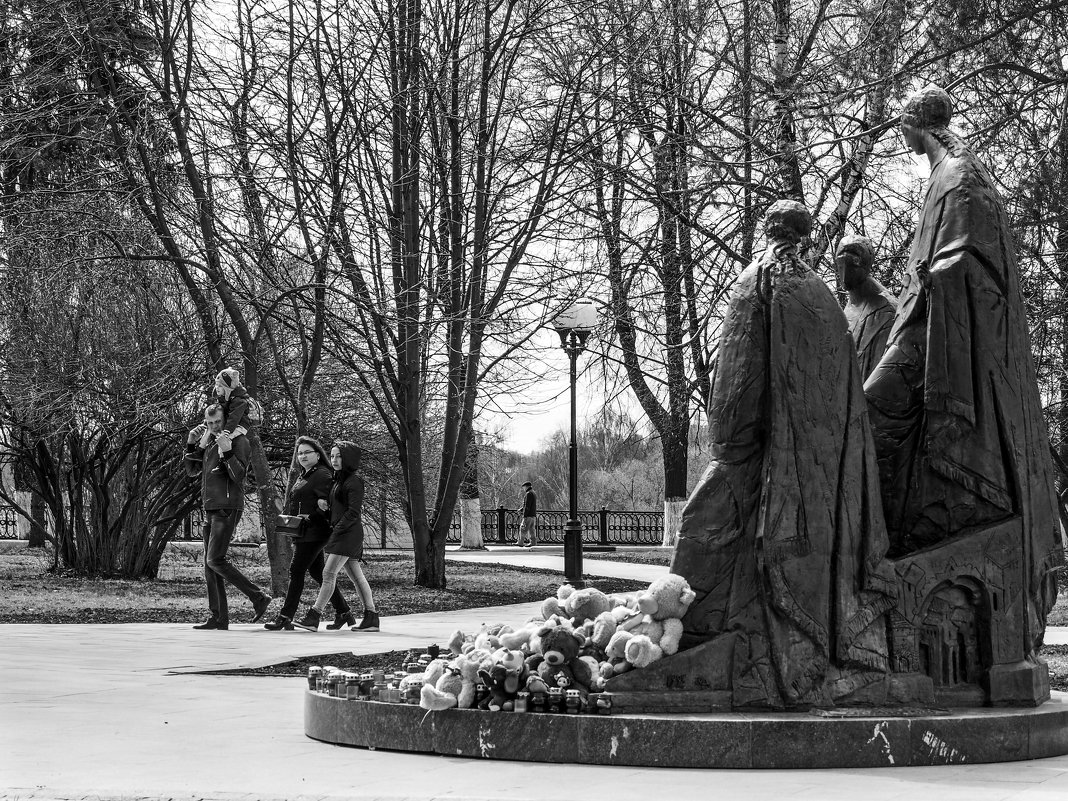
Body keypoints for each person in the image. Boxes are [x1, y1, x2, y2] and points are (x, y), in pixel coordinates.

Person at [670, 200, 894, 709]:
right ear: (806, 236)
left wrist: (728, 445)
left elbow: (738, 377)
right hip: (822, 474)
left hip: (764, 461)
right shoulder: (819, 294)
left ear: (767, 231)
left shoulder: (758, 280)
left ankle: (708, 645)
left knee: (705, 529)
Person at [864, 85, 1062, 590]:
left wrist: (937, 277)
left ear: (915, 124)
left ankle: (886, 539)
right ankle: (892, 533)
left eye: (902, 126)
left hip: (940, 325)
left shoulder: (959, 175)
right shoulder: (945, 173)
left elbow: (973, 258)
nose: (900, 136)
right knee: (870, 414)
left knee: (869, 411)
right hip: (922, 317)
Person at [185, 404, 271, 630]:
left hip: (227, 506)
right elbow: (192, 471)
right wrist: (192, 443)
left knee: (215, 559)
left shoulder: (238, 440)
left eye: (217, 422)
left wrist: (228, 451)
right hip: (210, 507)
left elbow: (239, 475)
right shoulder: (211, 442)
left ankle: (258, 597)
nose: (213, 427)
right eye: (209, 423)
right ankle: (219, 617)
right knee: (209, 565)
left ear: (226, 420)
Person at [264, 437, 356, 631]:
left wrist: (309, 518)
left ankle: (285, 616)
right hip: (303, 531)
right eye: (300, 453)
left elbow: (326, 506)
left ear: (317, 454)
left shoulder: (322, 474)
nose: (303, 456)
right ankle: (344, 612)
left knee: (296, 571)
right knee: (316, 572)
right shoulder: (304, 475)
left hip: (315, 531)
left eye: (307, 452)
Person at [294, 441, 379, 632]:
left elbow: (353, 512)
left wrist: (337, 530)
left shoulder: (354, 481)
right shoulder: (338, 480)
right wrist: (324, 507)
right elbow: (339, 509)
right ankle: (371, 617)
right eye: (332, 456)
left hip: (347, 534)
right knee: (356, 577)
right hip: (342, 533)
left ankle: (314, 616)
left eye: (338, 456)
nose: (334, 460)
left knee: (328, 573)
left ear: (347, 458)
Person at [836, 234, 897, 380]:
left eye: (853, 263)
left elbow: (881, 375)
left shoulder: (886, 310)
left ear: (866, 265)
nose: (845, 273)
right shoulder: (847, 309)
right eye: (840, 263)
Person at [211, 368, 258, 474]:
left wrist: (227, 431)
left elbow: (234, 417)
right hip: (234, 425)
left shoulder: (239, 401)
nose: (217, 388)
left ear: (227, 387)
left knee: (223, 440)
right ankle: (222, 462)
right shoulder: (230, 397)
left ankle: (223, 463)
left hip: (240, 426)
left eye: (220, 386)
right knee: (222, 439)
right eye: (216, 385)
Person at [516, 481, 537, 548]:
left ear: (526, 486)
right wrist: (521, 509)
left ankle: (520, 542)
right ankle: (533, 542)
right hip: (533, 515)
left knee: (523, 528)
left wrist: (524, 515)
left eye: (523, 487)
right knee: (531, 529)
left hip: (528, 515)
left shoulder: (528, 494)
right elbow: (529, 505)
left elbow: (527, 506)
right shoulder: (533, 493)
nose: (523, 489)